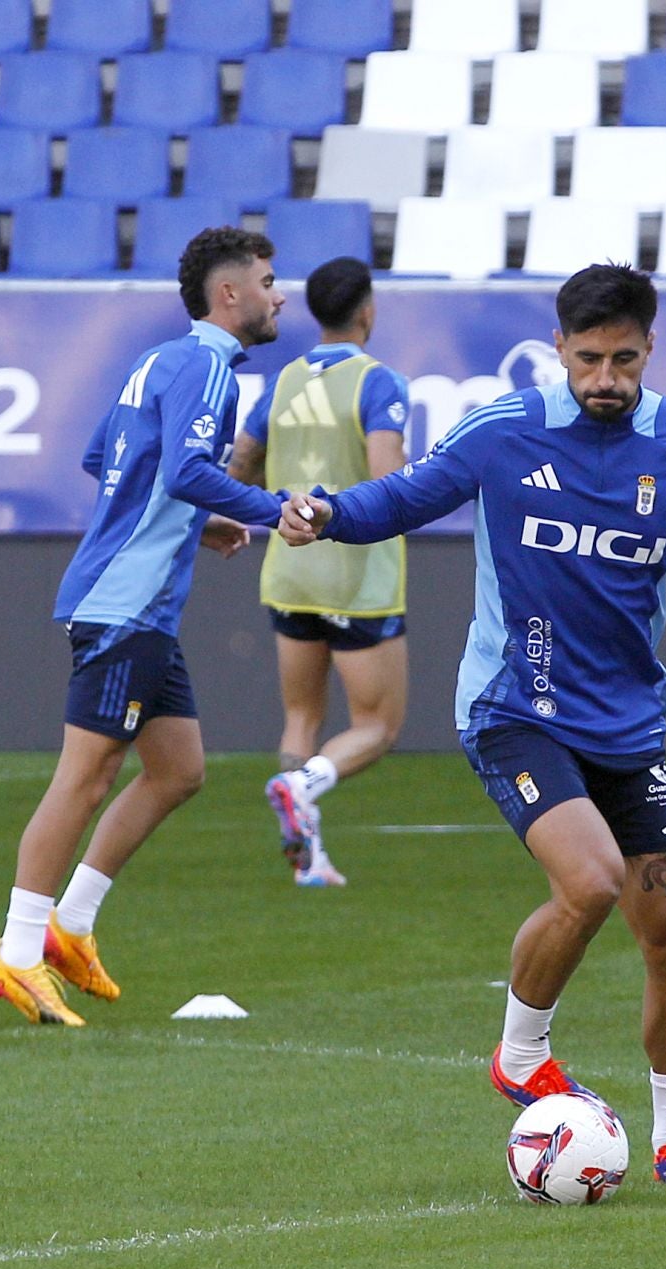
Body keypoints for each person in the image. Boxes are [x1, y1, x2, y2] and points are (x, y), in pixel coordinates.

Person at [277, 264, 666, 1185]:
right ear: (559, 349)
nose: (605, 378)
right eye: (588, 358)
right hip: (515, 708)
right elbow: (407, 496)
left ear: (650, 349)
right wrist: (328, 513)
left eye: (624, 359)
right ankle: (521, 1053)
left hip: (627, 726)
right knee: (589, 882)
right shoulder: (504, 431)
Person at [0, 228, 289, 1026]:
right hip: (124, 603)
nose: (277, 294)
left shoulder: (158, 360)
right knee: (83, 779)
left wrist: (200, 524)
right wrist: (268, 510)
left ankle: (70, 927)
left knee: (179, 769)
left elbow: (103, 457)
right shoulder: (211, 369)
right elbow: (183, 471)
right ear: (230, 295)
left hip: (137, 603)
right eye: (267, 280)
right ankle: (15, 953)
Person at [228, 258, 411, 888]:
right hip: (356, 577)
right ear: (367, 310)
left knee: (302, 716)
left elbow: (240, 466)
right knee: (377, 726)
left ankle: (306, 859)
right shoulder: (378, 383)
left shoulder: (282, 382)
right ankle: (300, 785)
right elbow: (389, 483)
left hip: (289, 570)